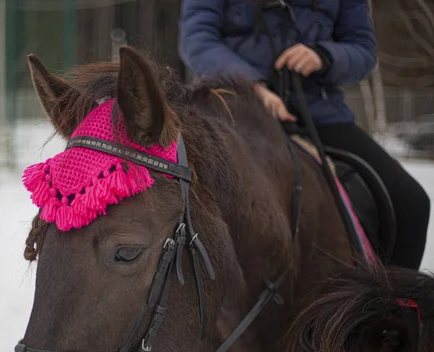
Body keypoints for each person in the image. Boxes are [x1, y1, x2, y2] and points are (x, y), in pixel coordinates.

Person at [178, 0, 430, 271]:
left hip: (318, 116)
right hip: (232, 113)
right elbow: (197, 39)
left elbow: (363, 52)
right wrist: (251, 89)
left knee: (411, 203)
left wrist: (324, 55)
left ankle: (395, 307)